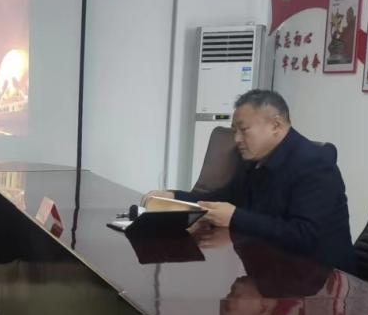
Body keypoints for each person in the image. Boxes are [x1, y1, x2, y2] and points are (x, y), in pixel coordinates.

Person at [145, 89, 355, 272]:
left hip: (321, 279)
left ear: (275, 125)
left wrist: (235, 217)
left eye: (243, 130)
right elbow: (223, 198)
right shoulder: (254, 161)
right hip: (273, 267)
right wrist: (174, 197)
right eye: (234, 130)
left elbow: (304, 235)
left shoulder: (315, 165)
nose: (236, 139)